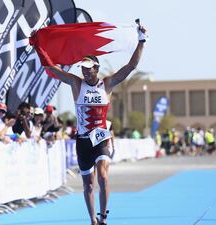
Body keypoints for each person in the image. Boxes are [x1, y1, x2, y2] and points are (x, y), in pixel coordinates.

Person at [42, 24, 147, 225]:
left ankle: (104, 217)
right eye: (83, 69)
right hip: (82, 141)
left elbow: (131, 66)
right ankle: (92, 220)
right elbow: (50, 69)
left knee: (103, 176)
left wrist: (142, 41)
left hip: (101, 137)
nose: (85, 73)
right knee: (88, 184)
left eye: (89, 69)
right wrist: (38, 45)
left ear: (96, 69)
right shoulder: (76, 83)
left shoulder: (107, 84)